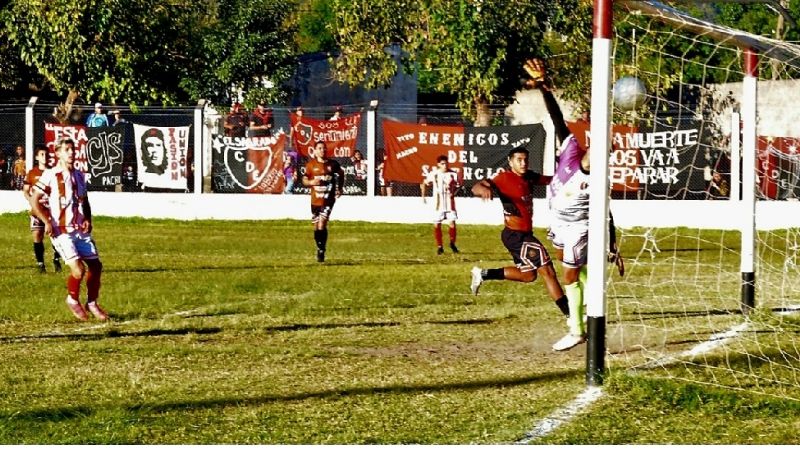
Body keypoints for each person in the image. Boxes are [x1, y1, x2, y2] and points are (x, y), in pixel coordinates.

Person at [523, 58, 624, 351]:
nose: (597, 152)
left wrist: (613, 243)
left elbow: (605, 211)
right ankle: (594, 314)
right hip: (558, 224)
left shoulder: (594, 177)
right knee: (578, 273)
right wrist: (543, 87)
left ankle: (577, 328)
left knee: (569, 274)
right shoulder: (569, 150)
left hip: (579, 228)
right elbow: (557, 119)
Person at [470, 146, 572, 342]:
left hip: (520, 235)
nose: (523, 163)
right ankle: (571, 316)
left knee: (528, 276)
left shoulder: (529, 177)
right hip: (517, 236)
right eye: (519, 160)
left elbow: (551, 180)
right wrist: (483, 190)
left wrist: (571, 174)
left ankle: (483, 274)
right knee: (547, 271)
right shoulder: (503, 178)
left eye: (525, 159)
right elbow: (477, 186)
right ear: (510, 162)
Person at [30, 138, 109, 321]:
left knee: (96, 266)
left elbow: (85, 200)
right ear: (57, 153)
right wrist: (47, 220)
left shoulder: (80, 175)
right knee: (78, 270)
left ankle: (92, 303)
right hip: (61, 231)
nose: (71, 152)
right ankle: (72, 299)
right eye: (66, 149)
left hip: (79, 229)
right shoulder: (50, 174)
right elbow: (34, 200)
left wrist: (87, 219)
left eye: (72, 149)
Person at [302, 140, 344, 262]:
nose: (322, 150)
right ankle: (320, 247)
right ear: (314, 151)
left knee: (322, 223)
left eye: (324, 148)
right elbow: (304, 179)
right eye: (319, 148)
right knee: (316, 227)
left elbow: (341, 174)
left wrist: (339, 188)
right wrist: (311, 182)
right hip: (315, 200)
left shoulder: (333, 164)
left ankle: (321, 250)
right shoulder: (310, 165)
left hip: (328, 199)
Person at [23, 146, 63, 273]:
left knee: (56, 236)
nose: (44, 157)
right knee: (37, 235)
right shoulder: (32, 173)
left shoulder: (53, 173)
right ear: (36, 157)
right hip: (37, 211)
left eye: (46, 155)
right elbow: (25, 190)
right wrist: (31, 201)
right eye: (41, 155)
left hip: (51, 210)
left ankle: (57, 260)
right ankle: (40, 264)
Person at [421, 155, 461, 255]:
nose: (445, 165)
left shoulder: (453, 174)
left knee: (452, 223)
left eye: (446, 163)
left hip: (449, 203)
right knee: (437, 224)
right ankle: (440, 246)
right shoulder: (434, 174)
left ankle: (452, 243)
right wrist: (423, 196)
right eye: (442, 164)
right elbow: (424, 183)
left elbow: (458, 186)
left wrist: (453, 193)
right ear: (438, 164)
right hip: (438, 204)